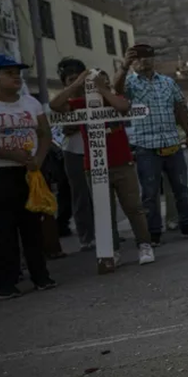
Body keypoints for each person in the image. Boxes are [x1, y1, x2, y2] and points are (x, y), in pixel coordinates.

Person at [49, 67, 155, 266]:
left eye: (102, 80)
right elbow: (55, 105)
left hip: (122, 163)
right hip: (95, 165)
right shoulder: (81, 104)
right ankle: (111, 250)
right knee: (104, 210)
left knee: (133, 207)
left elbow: (124, 107)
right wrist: (77, 84)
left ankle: (144, 245)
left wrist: (103, 89)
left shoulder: (114, 99)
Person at [0, 55, 55, 299]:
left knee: (32, 226)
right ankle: (6, 284)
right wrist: (12, 155)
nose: (16, 77)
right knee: (3, 230)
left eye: (17, 72)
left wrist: (38, 160)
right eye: (8, 73)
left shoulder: (30, 103)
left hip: (30, 171)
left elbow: (45, 134)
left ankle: (41, 276)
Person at [114, 44, 188, 243]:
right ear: (133, 62)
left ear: (154, 59)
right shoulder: (130, 83)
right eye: (138, 58)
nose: (143, 61)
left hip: (172, 142)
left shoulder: (168, 82)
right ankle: (153, 232)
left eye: (147, 57)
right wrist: (124, 66)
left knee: (180, 187)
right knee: (150, 192)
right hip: (146, 146)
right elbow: (116, 91)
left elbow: (179, 108)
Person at [55, 57, 95, 250]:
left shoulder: (94, 96)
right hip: (73, 152)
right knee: (80, 196)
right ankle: (86, 237)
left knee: (101, 193)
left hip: (96, 149)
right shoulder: (62, 100)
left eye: (77, 78)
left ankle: (107, 232)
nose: (75, 83)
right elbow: (61, 121)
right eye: (70, 80)